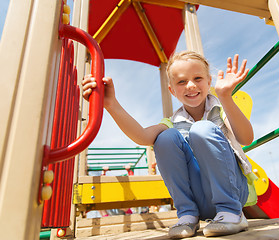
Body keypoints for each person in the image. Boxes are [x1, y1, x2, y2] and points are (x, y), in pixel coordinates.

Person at [82, 51, 254, 238]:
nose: (190, 85)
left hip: (233, 193)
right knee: (164, 138)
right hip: (201, 201)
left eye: (198, 78)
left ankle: (232, 212)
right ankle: (188, 214)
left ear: (208, 82)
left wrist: (225, 96)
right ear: (172, 90)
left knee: (202, 129)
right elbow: (142, 136)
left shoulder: (220, 110)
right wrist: (111, 104)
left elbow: (246, 138)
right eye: (181, 82)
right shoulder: (172, 121)